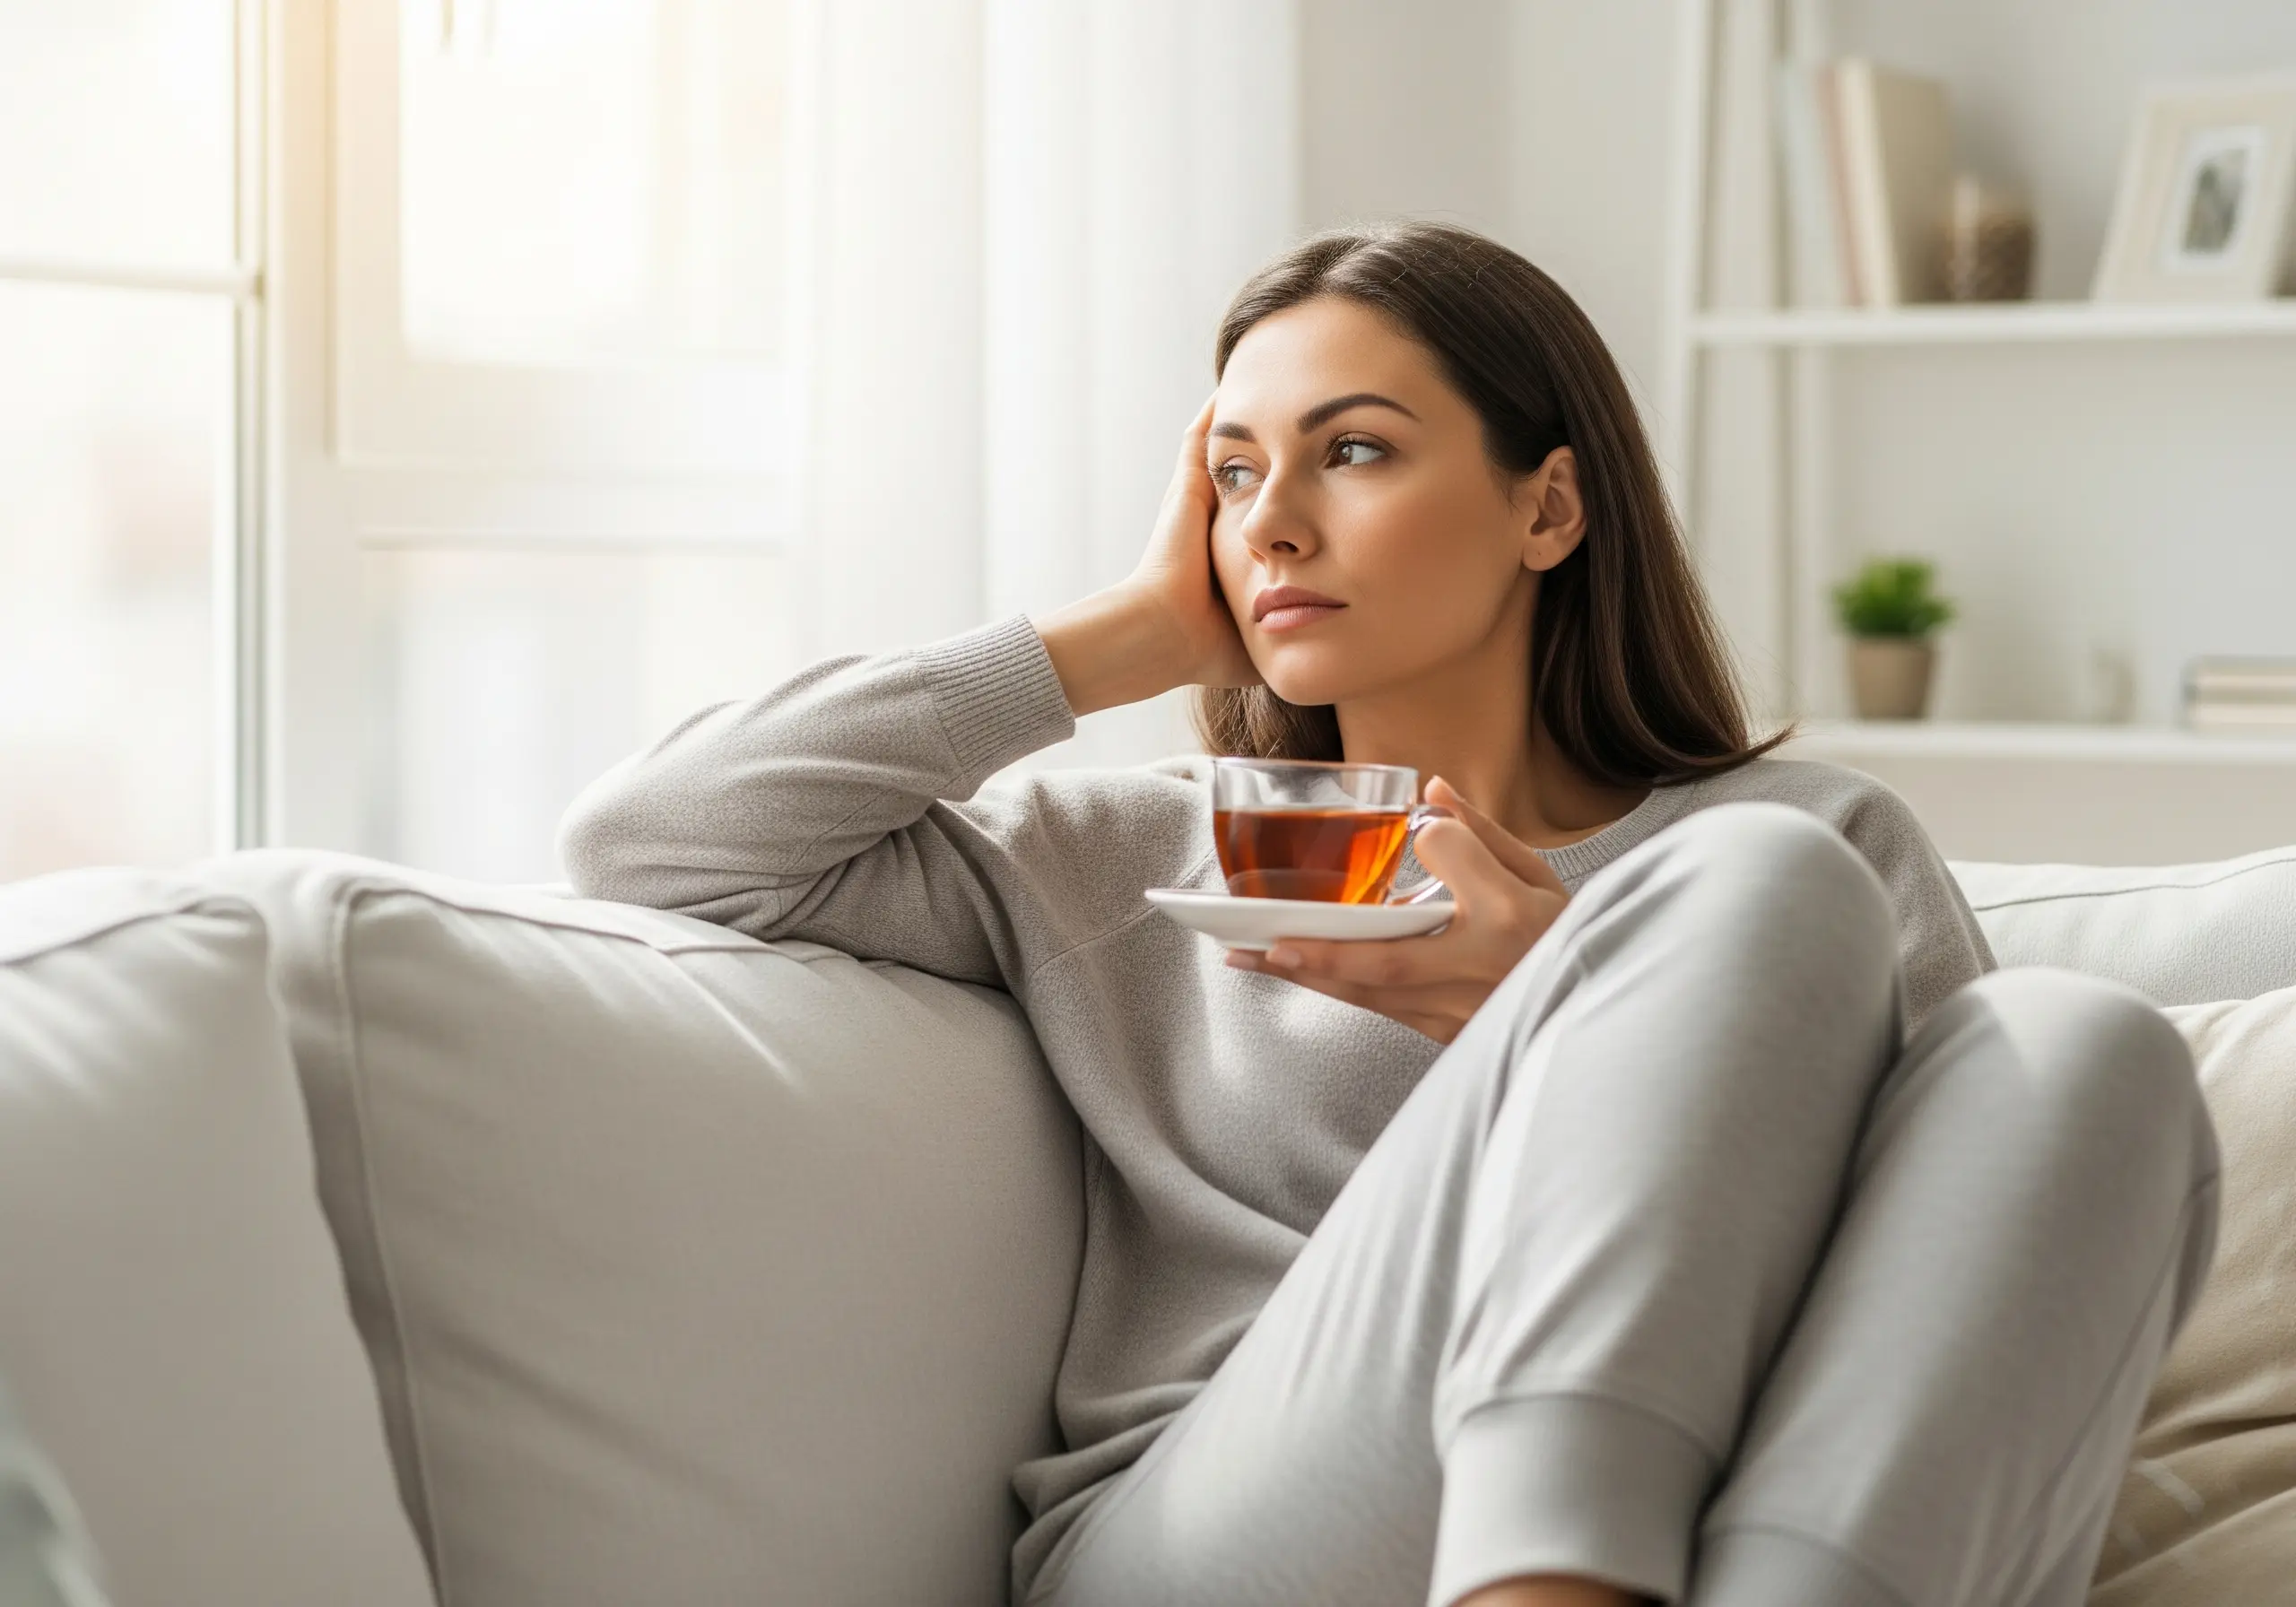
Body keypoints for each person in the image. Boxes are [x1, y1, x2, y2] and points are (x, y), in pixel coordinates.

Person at [557, 222, 2219, 1607]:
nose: (1273, 519)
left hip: (1731, 1515)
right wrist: (1128, 634)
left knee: (2086, 1053)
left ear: (1547, 508)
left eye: (1351, 451)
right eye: (1233, 474)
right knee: (1752, 892)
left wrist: (1551, 1001)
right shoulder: (1144, 850)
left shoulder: (1828, 840)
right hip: (1232, 1525)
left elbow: (1932, 1299)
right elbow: (659, 840)